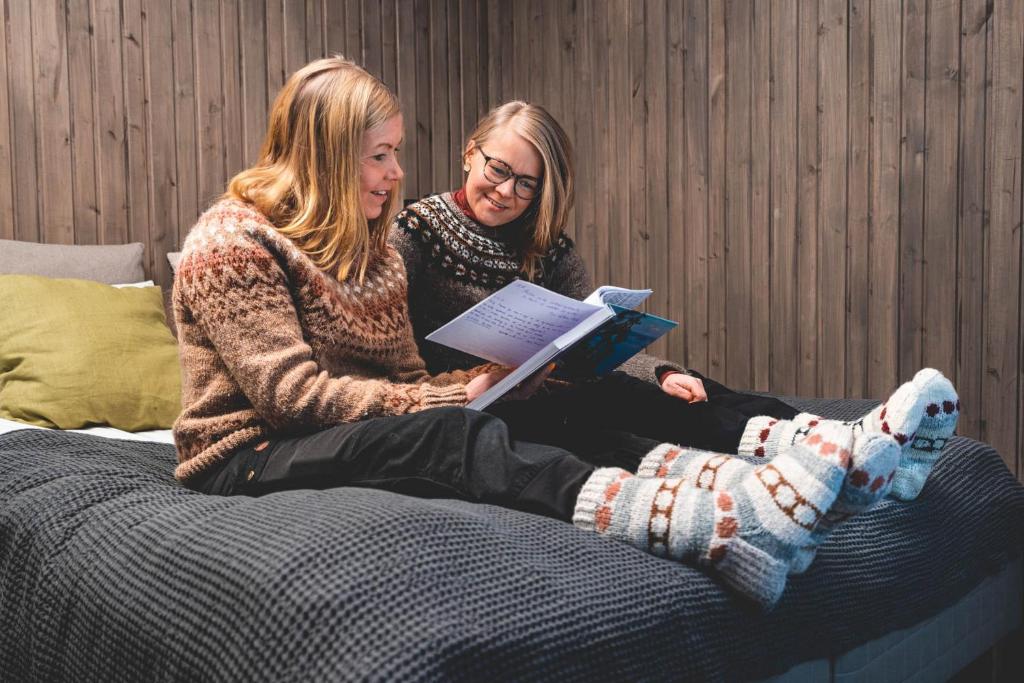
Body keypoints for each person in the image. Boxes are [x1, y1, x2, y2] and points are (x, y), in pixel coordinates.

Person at [171, 58, 955, 610]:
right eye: (380, 155)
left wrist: (469, 390)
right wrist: (451, 399)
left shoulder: (365, 248)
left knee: (564, 402)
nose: (396, 172)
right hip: (247, 454)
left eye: (397, 153)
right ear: (328, 155)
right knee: (449, 438)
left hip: (342, 422)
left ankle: (789, 470)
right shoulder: (232, 242)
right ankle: (705, 523)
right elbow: (292, 397)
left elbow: (406, 374)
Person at [390, 100, 802, 459]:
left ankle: (812, 430)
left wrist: (661, 372)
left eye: (526, 184)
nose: (506, 191)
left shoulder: (546, 245)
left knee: (686, 386)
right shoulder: (414, 231)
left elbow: (589, 341)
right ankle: (787, 443)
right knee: (628, 404)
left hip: (560, 382)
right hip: (487, 401)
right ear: (469, 155)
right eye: (498, 169)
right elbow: (392, 357)